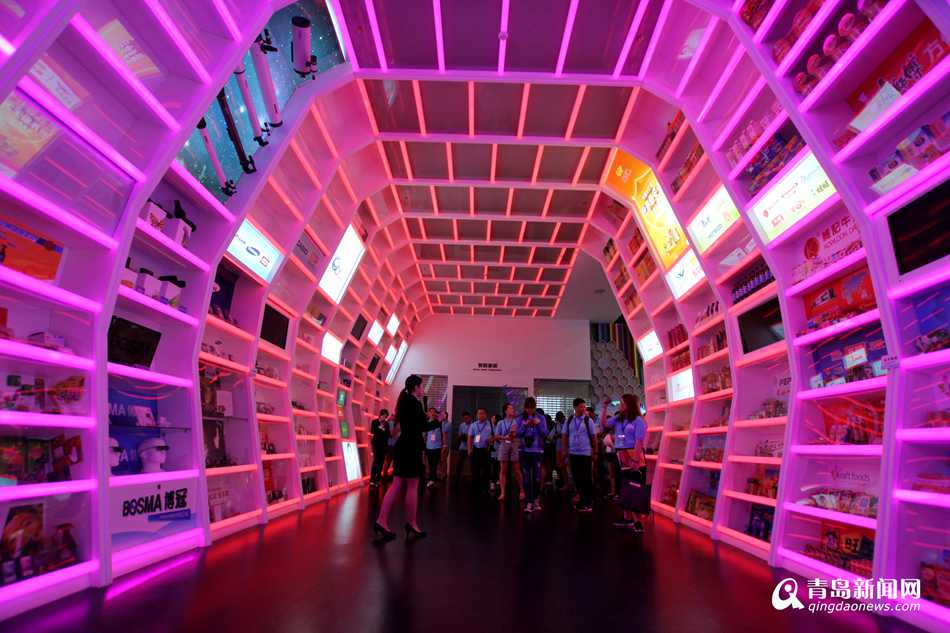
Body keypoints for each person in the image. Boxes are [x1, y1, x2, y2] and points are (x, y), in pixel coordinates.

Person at [375, 375, 435, 541]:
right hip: (412, 447)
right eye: (421, 386)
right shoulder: (414, 403)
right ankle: (411, 523)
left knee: (396, 485)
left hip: (403, 446)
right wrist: (438, 421)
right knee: (412, 486)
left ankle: (381, 520)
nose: (422, 388)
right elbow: (423, 426)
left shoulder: (404, 400)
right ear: (415, 387)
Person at [602, 393, 648, 532]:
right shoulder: (619, 418)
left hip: (633, 454)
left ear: (629, 404)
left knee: (633, 487)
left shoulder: (638, 420)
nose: (620, 406)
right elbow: (604, 424)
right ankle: (627, 517)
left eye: (622, 403)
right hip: (621, 454)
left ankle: (636, 520)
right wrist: (604, 407)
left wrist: (635, 460)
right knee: (624, 487)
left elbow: (639, 441)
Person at [563, 397, 597, 513]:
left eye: (584, 406)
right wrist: (565, 450)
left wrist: (595, 451)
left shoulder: (588, 420)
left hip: (585, 452)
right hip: (573, 452)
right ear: (575, 407)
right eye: (581, 406)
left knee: (586, 478)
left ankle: (588, 502)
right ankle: (582, 500)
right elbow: (564, 435)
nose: (583, 409)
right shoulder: (569, 420)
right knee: (576, 477)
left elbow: (593, 437)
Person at [517, 397, 548, 513]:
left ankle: (536, 500)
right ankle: (528, 502)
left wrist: (537, 424)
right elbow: (517, 434)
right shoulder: (520, 418)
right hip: (524, 451)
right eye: (528, 408)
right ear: (525, 408)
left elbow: (545, 433)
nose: (530, 410)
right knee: (526, 478)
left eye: (532, 408)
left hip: (537, 451)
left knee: (537, 478)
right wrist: (525, 425)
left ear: (535, 407)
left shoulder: (541, 417)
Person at [493, 403, 524, 503]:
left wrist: (514, 434)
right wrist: (504, 437)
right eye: (510, 408)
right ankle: (503, 493)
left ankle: (522, 490)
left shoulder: (517, 421)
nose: (512, 410)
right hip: (503, 445)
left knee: (517, 469)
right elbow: (496, 436)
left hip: (514, 444)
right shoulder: (501, 423)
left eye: (512, 408)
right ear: (506, 411)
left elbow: (520, 434)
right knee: (503, 470)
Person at [468, 407, 492, 494]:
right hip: (476, 449)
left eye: (483, 413)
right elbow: (470, 437)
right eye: (479, 413)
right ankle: (476, 488)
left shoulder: (490, 425)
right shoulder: (473, 425)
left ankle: (485, 487)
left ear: (486, 415)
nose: (481, 415)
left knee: (486, 470)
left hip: (486, 450)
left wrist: (490, 440)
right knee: (475, 469)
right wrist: (469, 449)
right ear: (476, 415)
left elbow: (494, 436)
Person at [369, 408, 391, 488]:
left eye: (386, 417)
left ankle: (378, 479)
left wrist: (383, 430)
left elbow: (388, 434)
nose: (384, 418)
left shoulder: (386, 424)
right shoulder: (374, 422)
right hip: (376, 444)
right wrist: (380, 428)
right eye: (384, 416)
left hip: (383, 445)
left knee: (381, 462)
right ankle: (372, 479)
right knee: (376, 461)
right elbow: (372, 431)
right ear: (380, 415)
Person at [424, 407, 443, 489]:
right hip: (428, 446)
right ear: (428, 413)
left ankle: (433, 479)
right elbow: (425, 435)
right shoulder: (426, 423)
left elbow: (443, 434)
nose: (432, 413)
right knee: (430, 464)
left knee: (435, 464)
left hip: (437, 447)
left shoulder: (439, 422)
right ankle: (432, 479)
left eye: (434, 412)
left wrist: (443, 445)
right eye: (431, 412)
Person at [452, 411, 472, 483]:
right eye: (464, 418)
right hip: (462, 447)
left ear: (470, 417)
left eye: (467, 418)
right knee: (459, 464)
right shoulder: (461, 425)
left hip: (471, 448)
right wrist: (461, 437)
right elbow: (459, 435)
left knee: (472, 464)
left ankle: (473, 479)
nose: (466, 419)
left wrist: (467, 437)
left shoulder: (473, 425)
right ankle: (457, 479)